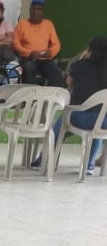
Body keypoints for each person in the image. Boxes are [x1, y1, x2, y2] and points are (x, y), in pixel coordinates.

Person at [32, 35, 107, 177]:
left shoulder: (80, 65)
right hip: (104, 120)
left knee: (57, 129)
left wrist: (81, 59)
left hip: (79, 117)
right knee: (97, 126)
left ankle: (41, 160)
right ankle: (89, 165)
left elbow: (68, 82)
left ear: (90, 50)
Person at [13, 0, 62, 86]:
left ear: (43, 11)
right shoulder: (22, 24)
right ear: (30, 10)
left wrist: (50, 52)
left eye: (39, 9)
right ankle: (32, 94)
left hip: (44, 59)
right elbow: (15, 44)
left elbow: (57, 44)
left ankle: (53, 94)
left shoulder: (48, 24)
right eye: (33, 9)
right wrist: (30, 53)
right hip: (28, 59)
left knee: (56, 72)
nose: (35, 11)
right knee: (28, 68)